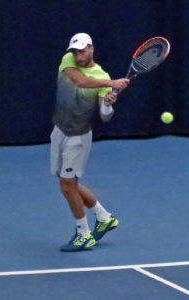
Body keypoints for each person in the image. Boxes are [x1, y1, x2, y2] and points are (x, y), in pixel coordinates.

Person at [50, 33, 130, 252]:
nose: (78, 55)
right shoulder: (69, 62)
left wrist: (107, 102)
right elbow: (80, 81)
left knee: (67, 187)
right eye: (75, 51)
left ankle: (83, 234)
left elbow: (105, 116)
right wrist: (111, 83)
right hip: (59, 131)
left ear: (92, 49)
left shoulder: (101, 75)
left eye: (82, 51)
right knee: (68, 183)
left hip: (77, 137)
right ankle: (104, 218)